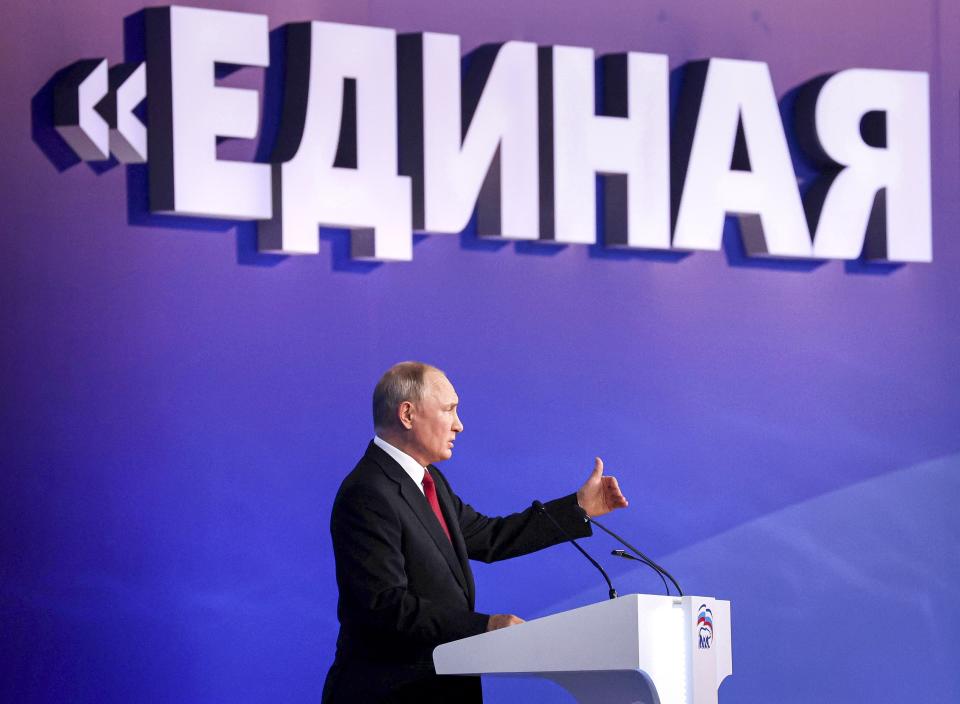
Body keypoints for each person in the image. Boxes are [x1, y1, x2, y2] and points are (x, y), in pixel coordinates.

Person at [321, 361, 628, 703]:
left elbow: (489, 536)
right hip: (389, 693)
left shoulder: (430, 481)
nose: (459, 425)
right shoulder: (368, 492)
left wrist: (578, 509)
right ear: (407, 415)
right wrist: (484, 628)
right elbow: (384, 606)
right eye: (449, 409)